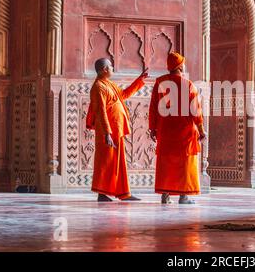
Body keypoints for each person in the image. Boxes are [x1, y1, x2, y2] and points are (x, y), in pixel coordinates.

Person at [86, 58, 149, 202]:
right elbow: (100, 111)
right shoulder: (98, 87)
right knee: (105, 162)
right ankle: (102, 193)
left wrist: (139, 80)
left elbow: (124, 94)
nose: (113, 68)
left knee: (118, 162)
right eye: (111, 66)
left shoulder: (109, 85)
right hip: (107, 132)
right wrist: (107, 133)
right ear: (104, 69)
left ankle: (123, 192)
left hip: (116, 130)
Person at [149, 52, 206, 205]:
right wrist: (201, 131)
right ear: (180, 66)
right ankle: (184, 196)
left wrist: (152, 128)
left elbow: (153, 107)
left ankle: (165, 195)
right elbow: (196, 111)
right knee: (185, 163)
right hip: (184, 131)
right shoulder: (188, 85)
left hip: (165, 131)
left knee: (166, 162)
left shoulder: (159, 83)